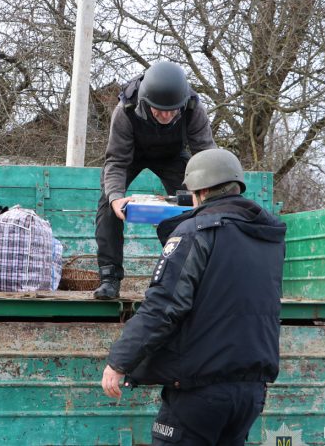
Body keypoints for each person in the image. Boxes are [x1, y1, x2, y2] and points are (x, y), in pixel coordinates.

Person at [100, 148, 286, 445]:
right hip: (250, 392)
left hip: (200, 391)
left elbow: (163, 307)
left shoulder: (196, 231)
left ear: (199, 191)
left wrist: (119, 361)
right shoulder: (269, 237)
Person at [93, 61, 217, 300]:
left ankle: (191, 274)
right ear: (145, 102)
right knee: (108, 203)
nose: (166, 115)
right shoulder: (125, 110)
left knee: (195, 206)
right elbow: (116, 162)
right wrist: (116, 199)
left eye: (172, 110)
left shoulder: (194, 109)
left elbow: (206, 156)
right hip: (131, 154)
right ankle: (109, 277)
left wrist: (203, 191)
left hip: (172, 156)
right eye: (159, 110)